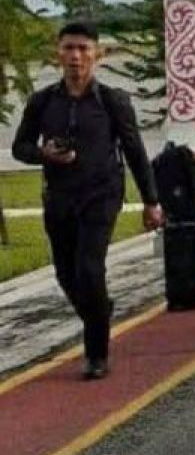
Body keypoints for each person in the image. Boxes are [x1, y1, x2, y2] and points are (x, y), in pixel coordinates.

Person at [12, 22, 163, 380]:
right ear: (57, 53)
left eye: (82, 48)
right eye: (68, 48)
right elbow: (20, 147)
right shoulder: (43, 101)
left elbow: (135, 152)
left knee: (90, 269)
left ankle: (97, 354)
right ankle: (99, 311)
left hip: (101, 196)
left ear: (97, 54)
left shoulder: (113, 101)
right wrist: (44, 153)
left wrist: (151, 201)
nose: (75, 56)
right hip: (59, 198)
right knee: (67, 275)